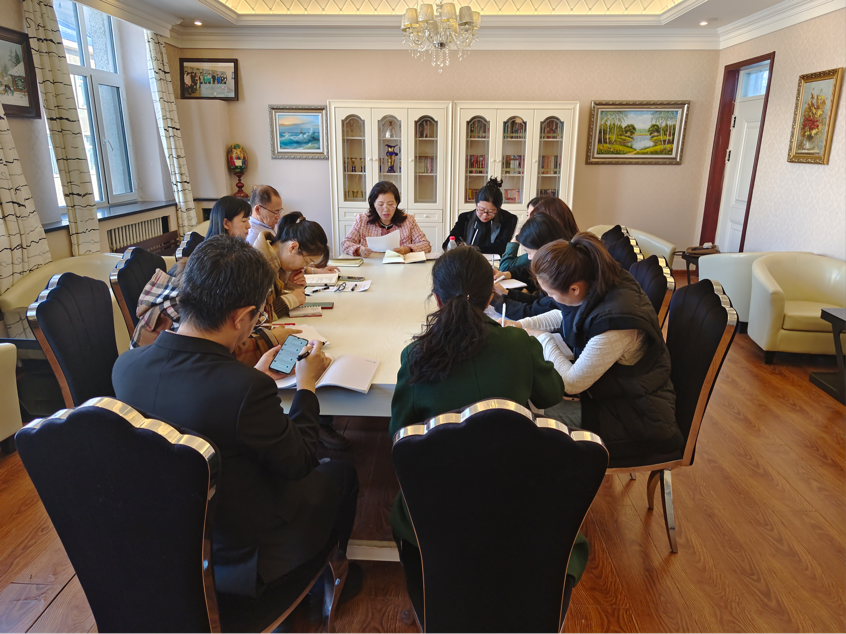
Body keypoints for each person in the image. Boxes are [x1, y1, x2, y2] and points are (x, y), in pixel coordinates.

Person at [112, 236, 361, 599]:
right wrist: (306, 386)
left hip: (170, 545)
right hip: (245, 558)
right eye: (257, 316)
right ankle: (323, 583)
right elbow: (302, 460)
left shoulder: (126, 367)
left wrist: (255, 378)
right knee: (341, 474)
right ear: (242, 317)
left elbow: (208, 403)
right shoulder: (244, 389)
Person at [389, 246, 591, 590]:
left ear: (437, 300)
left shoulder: (416, 354)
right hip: (516, 491)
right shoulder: (517, 342)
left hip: (440, 505)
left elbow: (399, 436)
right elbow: (551, 394)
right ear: (489, 299)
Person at [508, 233, 684, 460]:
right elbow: (565, 314)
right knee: (528, 397)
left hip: (637, 418)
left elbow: (572, 383)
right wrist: (521, 325)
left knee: (524, 417)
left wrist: (542, 338)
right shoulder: (599, 281)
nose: (550, 298)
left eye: (551, 294)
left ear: (574, 289)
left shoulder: (616, 323)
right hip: (615, 394)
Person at [130, 196, 295, 366]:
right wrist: (269, 341)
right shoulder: (206, 285)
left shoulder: (215, 263)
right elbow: (211, 356)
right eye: (244, 220)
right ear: (226, 223)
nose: (249, 226)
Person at [341, 181, 431, 257]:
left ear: (397, 203)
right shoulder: (362, 220)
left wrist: (408, 249)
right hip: (371, 266)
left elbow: (426, 245)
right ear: (374, 204)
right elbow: (346, 243)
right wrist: (359, 250)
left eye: (390, 204)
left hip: (401, 267)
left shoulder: (408, 220)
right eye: (381, 204)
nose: (386, 209)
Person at [498, 196, 579, 280]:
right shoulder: (564, 245)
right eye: (528, 215)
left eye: (533, 217)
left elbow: (505, 267)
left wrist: (515, 239)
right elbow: (529, 271)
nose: (527, 221)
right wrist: (510, 274)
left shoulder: (551, 253)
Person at [443, 177, 517, 255]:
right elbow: (447, 243)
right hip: (467, 259)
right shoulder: (465, 218)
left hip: (494, 261)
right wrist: (456, 244)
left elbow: (501, 247)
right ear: (476, 205)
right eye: (481, 209)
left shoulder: (508, 219)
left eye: (491, 211)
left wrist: (471, 248)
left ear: (498, 209)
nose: (485, 215)